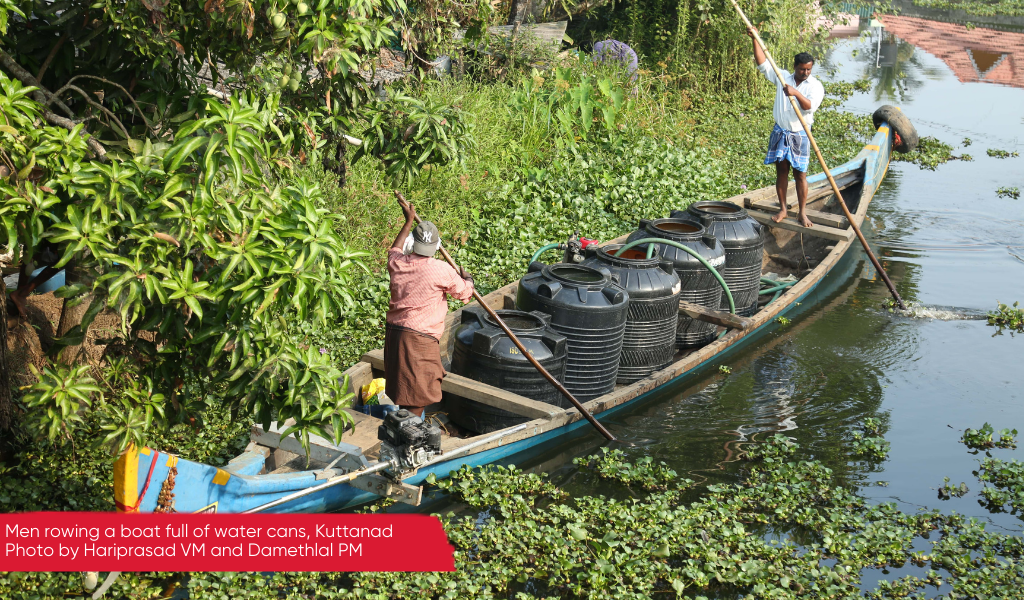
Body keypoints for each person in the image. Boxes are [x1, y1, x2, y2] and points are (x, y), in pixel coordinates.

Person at [384, 198, 474, 419]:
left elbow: (394, 249)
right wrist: (468, 279)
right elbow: (464, 294)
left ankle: (409, 427)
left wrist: (407, 223)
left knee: (406, 388)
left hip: (395, 335)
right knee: (418, 393)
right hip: (419, 338)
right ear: (435, 246)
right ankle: (410, 432)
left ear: (413, 244)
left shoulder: (398, 263)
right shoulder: (441, 270)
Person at [747, 26, 824, 228]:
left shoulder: (815, 86)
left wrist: (795, 93)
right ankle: (783, 209)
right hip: (781, 131)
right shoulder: (782, 77)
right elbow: (762, 63)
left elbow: (809, 106)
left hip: (800, 134)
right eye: (801, 69)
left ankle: (802, 213)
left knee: (800, 174)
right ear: (795, 67)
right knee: (781, 171)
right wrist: (755, 38)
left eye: (808, 69)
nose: (805, 73)